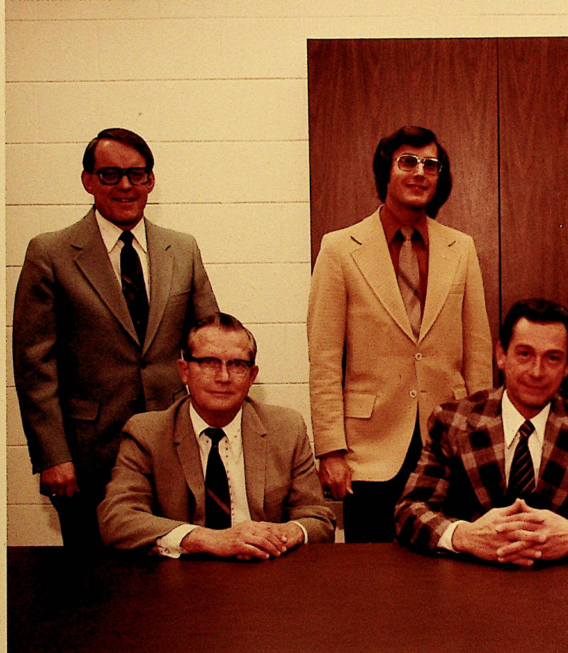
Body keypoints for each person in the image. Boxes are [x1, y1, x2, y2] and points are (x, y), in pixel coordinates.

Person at [12, 128, 218, 548]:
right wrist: (53, 457)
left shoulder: (182, 249)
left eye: (136, 174)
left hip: (173, 447)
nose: (125, 185)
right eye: (110, 174)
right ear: (88, 180)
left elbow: (211, 345)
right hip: (87, 456)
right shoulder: (50, 253)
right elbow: (35, 368)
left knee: (178, 570)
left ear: (150, 181)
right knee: (93, 584)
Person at [308, 125, 492, 542]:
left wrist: (482, 443)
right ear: (385, 173)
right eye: (408, 161)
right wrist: (331, 451)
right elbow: (323, 362)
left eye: (431, 164)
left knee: (447, 576)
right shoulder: (339, 249)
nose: (420, 173)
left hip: (447, 444)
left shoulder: (460, 248)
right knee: (373, 584)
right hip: (369, 451)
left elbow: (478, 356)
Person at [395, 299, 568, 564]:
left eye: (553, 358)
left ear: (567, 366)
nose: (537, 372)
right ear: (501, 355)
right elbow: (409, 511)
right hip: (472, 580)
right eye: (524, 354)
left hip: (564, 582)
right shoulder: (453, 420)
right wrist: (464, 536)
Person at [98, 314, 334, 558]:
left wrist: (284, 534)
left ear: (252, 376)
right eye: (209, 362)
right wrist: (209, 539)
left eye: (237, 364)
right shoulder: (147, 433)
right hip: (181, 575)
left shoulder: (286, 428)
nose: (223, 377)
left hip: (263, 571)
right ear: (184, 371)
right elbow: (117, 519)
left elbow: (318, 519)